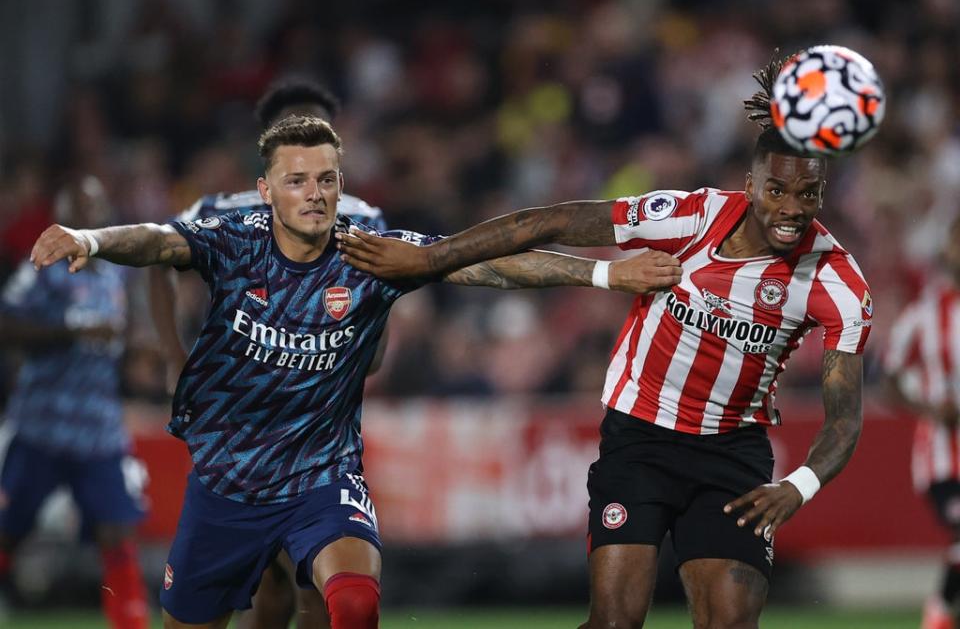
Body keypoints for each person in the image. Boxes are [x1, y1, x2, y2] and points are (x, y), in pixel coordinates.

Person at [31, 115, 679, 629]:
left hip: (322, 480)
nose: (313, 192)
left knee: (355, 605)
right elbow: (157, 240)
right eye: (296, 179)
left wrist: (602, 272)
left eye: (326, 179)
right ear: (265, 190)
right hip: (226, 485)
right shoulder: (234, 242)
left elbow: (491, 263)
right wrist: (90, 240)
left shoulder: (372, 254)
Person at [336, 55, 873, 628]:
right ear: (750, 184)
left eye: (809, 195)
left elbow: (844, 417)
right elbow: (556, 221)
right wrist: (430, 258)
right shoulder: (693, 217)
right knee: (614, 623)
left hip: (732, 455)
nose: (792, 209)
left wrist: (799, 486)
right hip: (639, 439)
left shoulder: (838, 282)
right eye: (777, 190)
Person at [147, 77, 385, 629]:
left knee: (316, 578)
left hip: (314, 427)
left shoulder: (362, 217)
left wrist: (371, 349)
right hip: (238, 428)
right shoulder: (223, 212)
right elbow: (160, 253)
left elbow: (387, 285)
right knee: (274, 580)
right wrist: (170, 353)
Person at [0, 176, 149, 629]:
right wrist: (72, 332)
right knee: (10, 532)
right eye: (79, 208)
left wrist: (140, 355)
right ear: (62, 216)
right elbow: (7, 326)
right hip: (43, 424)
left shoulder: (117, 273)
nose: (89, 216)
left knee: (117, 532)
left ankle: (132, 623)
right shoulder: (40, 268)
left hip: (98, 430)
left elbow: (123, 340)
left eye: (95, 207)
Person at [885, 214, 960, 629]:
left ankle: (941, 610)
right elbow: (889, 378)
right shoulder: (926, 314)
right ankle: (939, 612)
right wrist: (932, 410)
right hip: (942, 460)